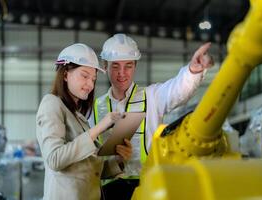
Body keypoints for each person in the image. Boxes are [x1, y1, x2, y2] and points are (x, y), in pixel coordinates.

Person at [88, 33, 214, 199]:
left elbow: (178, 90)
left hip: (147, 187)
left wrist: (193, 71)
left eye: (128, 66)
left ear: (135, 66)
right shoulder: (94, 108)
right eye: (115, 66)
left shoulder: (153, 96)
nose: (122, 73)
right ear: (105, 66)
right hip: (109, 191)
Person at [36, 43, 132, 200]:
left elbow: (91, 171)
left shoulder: (77, 116)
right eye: (85, 76)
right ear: (66, 74)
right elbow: (55, 159)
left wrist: (119, 160)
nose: (90, 85)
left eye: (93, 79)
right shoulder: (51, 103)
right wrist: (100, 127)